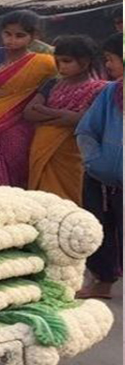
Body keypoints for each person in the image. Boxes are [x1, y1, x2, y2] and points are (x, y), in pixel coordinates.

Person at [0, 10, 56, 187]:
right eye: (7, 34)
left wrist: (13, 96)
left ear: (34, 36)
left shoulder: (44, 63)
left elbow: (53, 90)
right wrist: (17, 94)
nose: (11, 39)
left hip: (20, 127)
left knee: (17, 172)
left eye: (19, 35)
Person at [25, 36, 107, 204]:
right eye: (58, 61)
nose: (61, 67)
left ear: (85, 62)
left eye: (67, 61)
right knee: (43, 201)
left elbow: (84, 120)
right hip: (43, 149)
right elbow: (29, 113)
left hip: (73, 154)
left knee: (70, 202)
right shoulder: (51, 84)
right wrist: (65, 116)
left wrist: (47, 112)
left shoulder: (99, 89)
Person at [76, 33, 123, 299]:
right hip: (101, 179)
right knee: (101, 229)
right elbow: (86, 130)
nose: (108, 66)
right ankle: (102, 282)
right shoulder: (110, 92)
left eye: (112, 60)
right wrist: (95, 162)